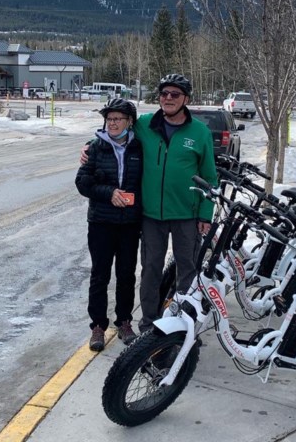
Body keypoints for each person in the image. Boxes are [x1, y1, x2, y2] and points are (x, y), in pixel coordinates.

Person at [81, 74, 218, 334]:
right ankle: (149, 324)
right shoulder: (145, 125)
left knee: (187, 271)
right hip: (151, 215)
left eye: (174, 94)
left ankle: (182, 324)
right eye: (164, 93)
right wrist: (90, 146)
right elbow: (114, 133)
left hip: (185, 214)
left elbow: (209, 177)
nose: (167, 98)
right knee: (151, 271)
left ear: (186, 99)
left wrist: (205, 214)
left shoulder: (199, 132)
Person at [75, 98, 143, 351]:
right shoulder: (95, 148)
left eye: (118, 119)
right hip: (102, 222)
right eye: (109, 119)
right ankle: (97, 327)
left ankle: (124, 322)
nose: (112, 123)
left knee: (126, 275)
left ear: (129, 122)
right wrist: (108, 192)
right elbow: (83, 183)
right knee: (99, 275)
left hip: (129, 223)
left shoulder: (139, 148)